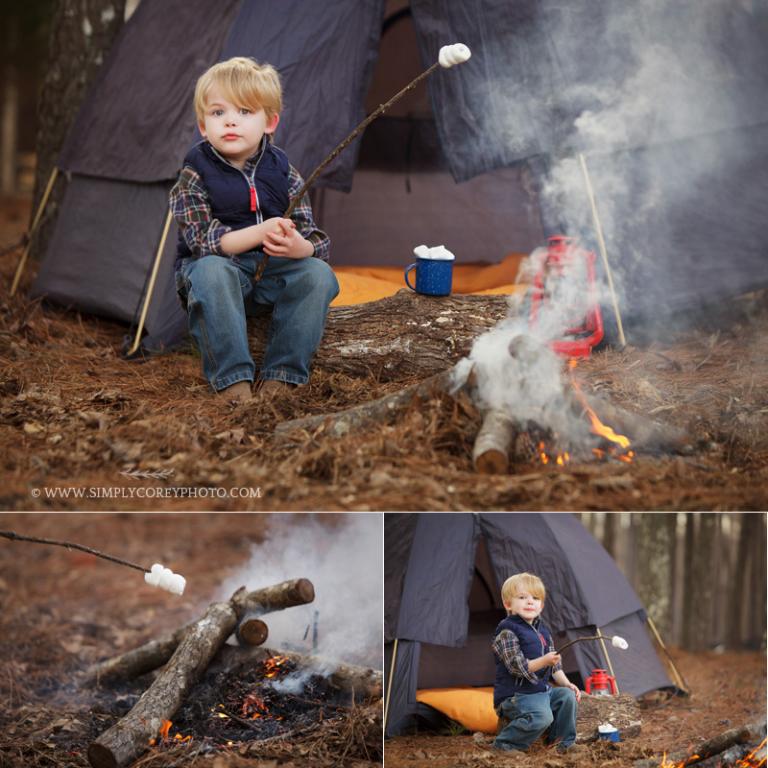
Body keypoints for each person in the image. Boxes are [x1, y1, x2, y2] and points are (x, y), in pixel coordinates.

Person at [170, 56, 339, 402]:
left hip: (269, 275)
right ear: (203, 126)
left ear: (270, 122)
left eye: (245, 112)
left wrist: (298, 247)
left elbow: (314, 238)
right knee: (212, 270)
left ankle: (282, 377)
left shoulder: (283, 170)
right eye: (218, 113)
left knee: (318, 274)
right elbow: (203, 242)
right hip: (217, 276)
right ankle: (232, 383)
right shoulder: (195, 173)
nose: (230, 121)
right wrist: (260, 233)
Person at [492, 572, 581, 753]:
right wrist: (544, 660)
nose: (530, 602)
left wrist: (566, 683)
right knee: (542, 717)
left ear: (541, 606)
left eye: (535, 598)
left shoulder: (543, 632)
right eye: (522, 597)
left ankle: (562, 742)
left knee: (566, 697)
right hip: (515, 696)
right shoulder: (507, 632)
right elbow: (518, 668)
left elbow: (554, 664)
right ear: (508, 604)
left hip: (539, 692)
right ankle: (505, 745)